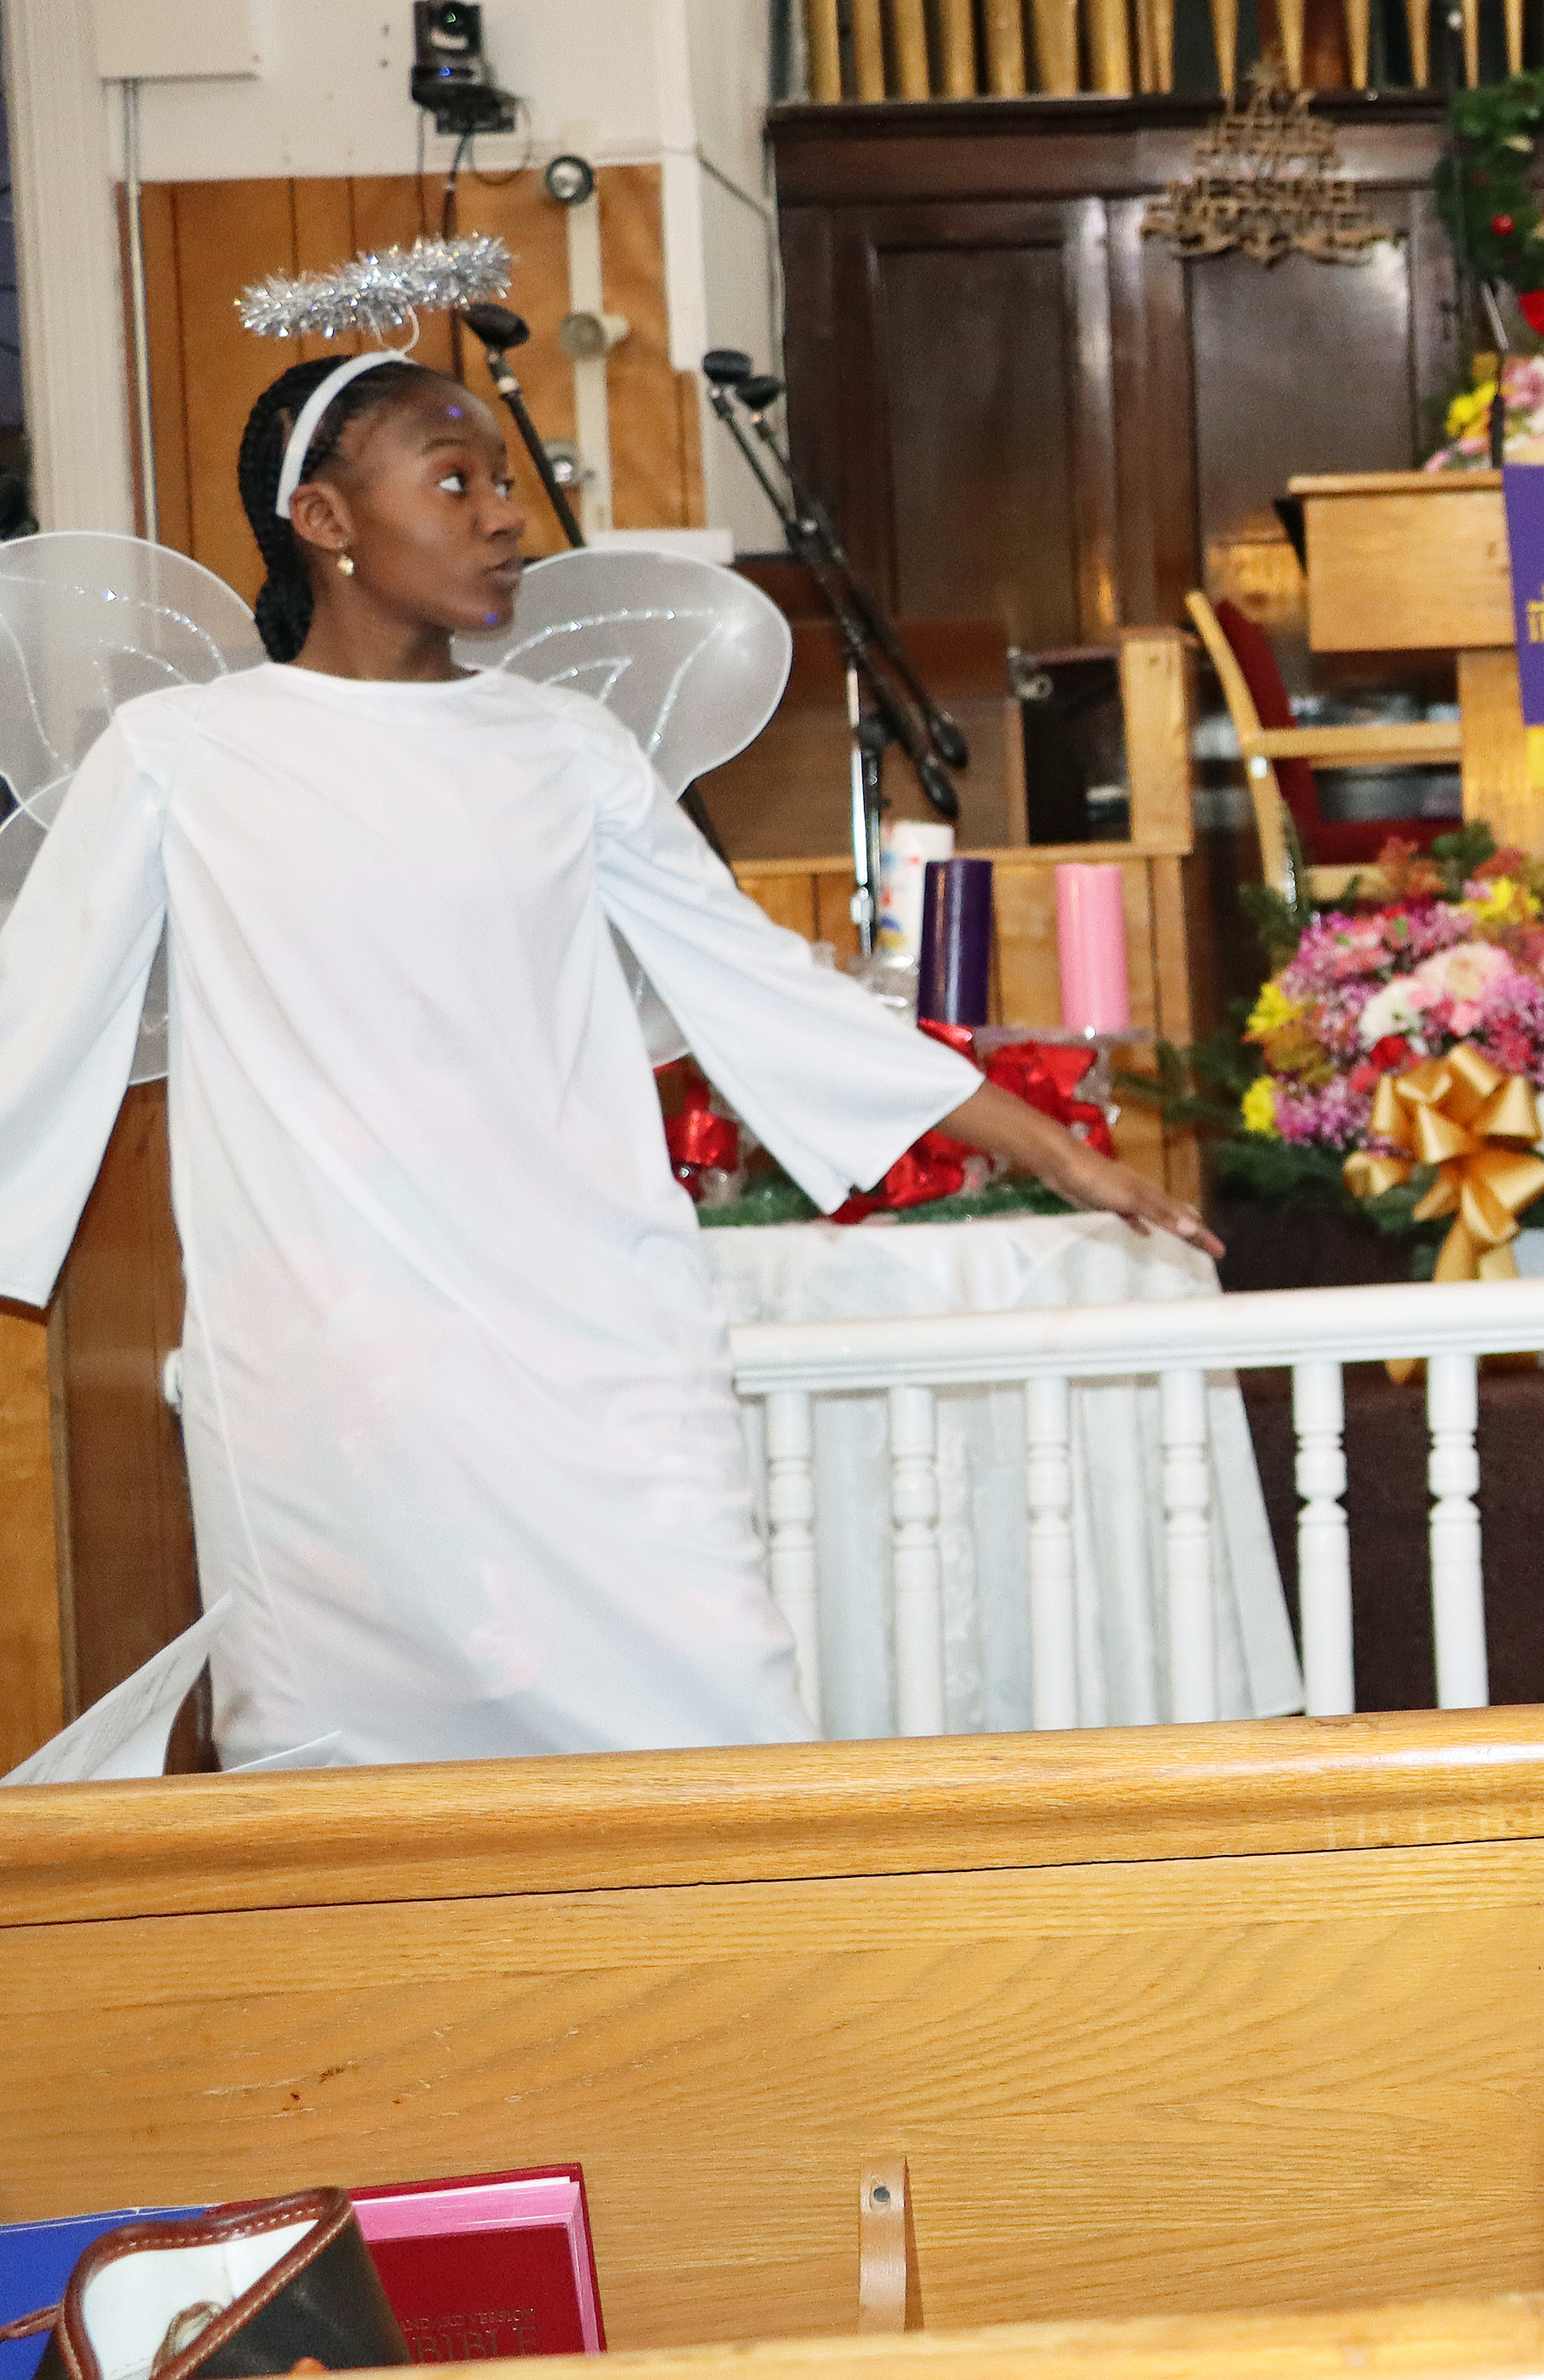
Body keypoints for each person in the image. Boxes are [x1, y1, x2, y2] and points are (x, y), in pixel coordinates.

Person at [0, 351, 1215, 1772]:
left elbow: (755, 980)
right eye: (454, 483)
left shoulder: (564, 745)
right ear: (323, 520)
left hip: (594, 1334)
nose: (504, 516)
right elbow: (34, 1021)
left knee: (717, 1717)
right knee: (351, 1770)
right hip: (337, 1371)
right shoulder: (184, 752)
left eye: (506, 484)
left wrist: (1050, 1144)